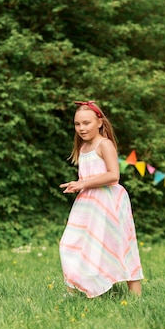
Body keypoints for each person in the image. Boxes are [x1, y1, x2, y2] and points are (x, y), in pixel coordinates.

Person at [59, 101, 143, 298]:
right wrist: (78, 184)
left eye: (86, 123)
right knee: (71, 243)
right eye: (77, 124)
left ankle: (136, 296)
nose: (81, 128)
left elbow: (114, 175)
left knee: (119, 245)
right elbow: (87, 177)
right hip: (87, 204)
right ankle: (73, 291)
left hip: (108, 201)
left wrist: (82, 184)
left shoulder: (104, 145)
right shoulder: (83, 147)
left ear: (99, 122)